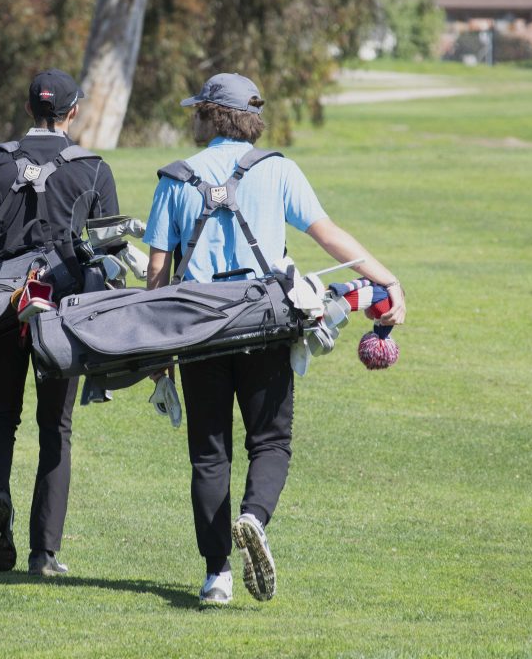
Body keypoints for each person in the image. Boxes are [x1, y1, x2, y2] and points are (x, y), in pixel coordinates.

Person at [143, 72, 406, 606]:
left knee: (209, 453)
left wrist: (156, 345)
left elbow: (156, 269)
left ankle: (217, 575)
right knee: (269, 441)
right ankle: (253, 517)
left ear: (212, 115)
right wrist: (385, 278)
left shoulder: (176, 176)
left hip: (196, 327)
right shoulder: (278, 170)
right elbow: (328, 235)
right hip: (264, 320)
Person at [0, 69, 121, 577]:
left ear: (28, 110)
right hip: (62, 318)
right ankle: (44, 554)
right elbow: (110, 259)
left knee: (0, 417)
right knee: (56, 428)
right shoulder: (92, 169)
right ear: (73, 113)